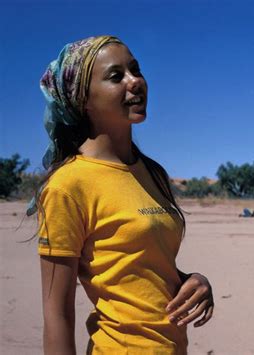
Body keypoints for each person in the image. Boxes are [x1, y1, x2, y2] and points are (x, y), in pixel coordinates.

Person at [29, 35, 214, 354]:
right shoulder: (69, 184)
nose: (136, 82)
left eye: (136, 70)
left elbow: (140, 267)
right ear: (83, 99)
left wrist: (192, 280)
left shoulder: (150, 172)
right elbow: (56, 313)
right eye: (117, 76)